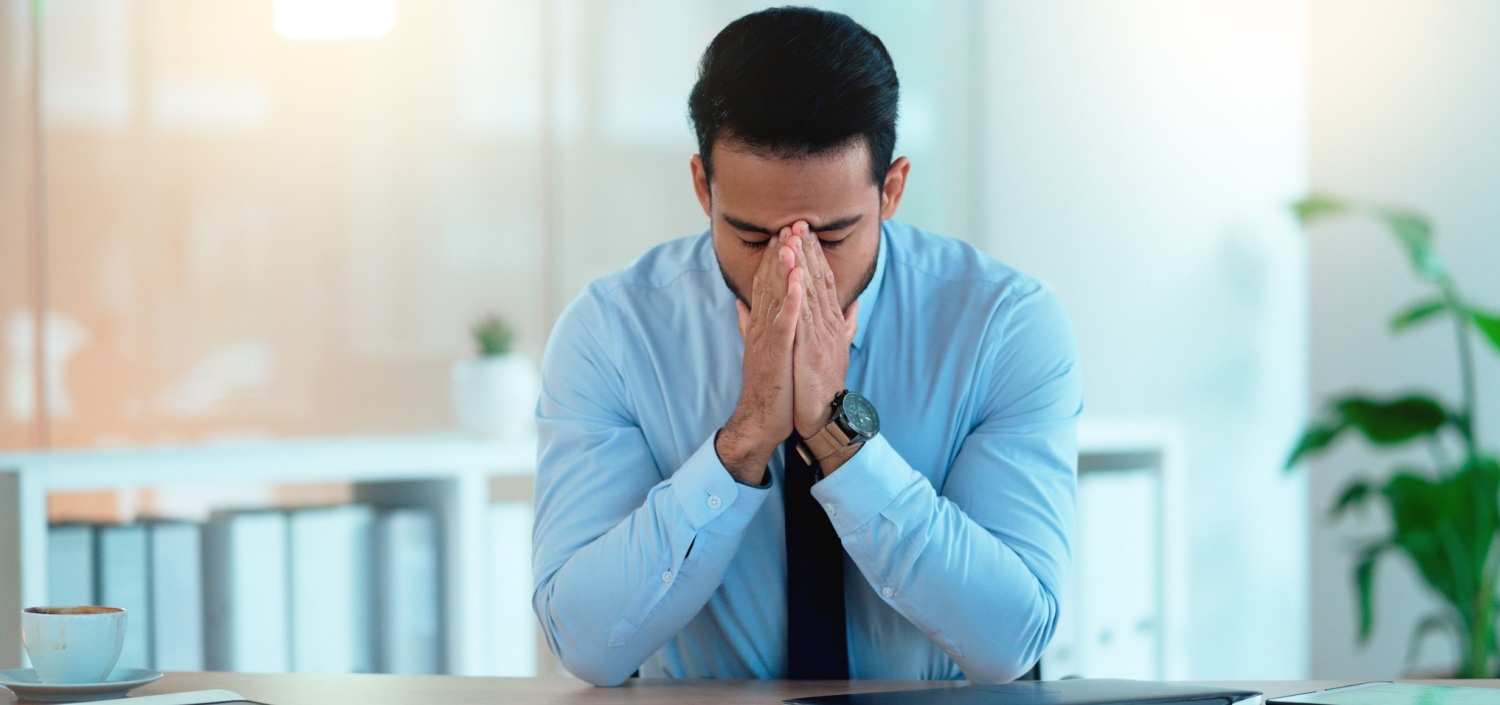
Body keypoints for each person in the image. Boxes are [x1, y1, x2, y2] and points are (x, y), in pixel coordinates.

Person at [531, 6, 1081, 687]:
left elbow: (1010, 641)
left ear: (893, 188)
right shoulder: (612, 332)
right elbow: (586, 643)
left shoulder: (1003, 325)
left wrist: (836, 432)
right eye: (757, 237)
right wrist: (742, 443)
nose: (793, 269)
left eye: (832, 236)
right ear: (703, 186)